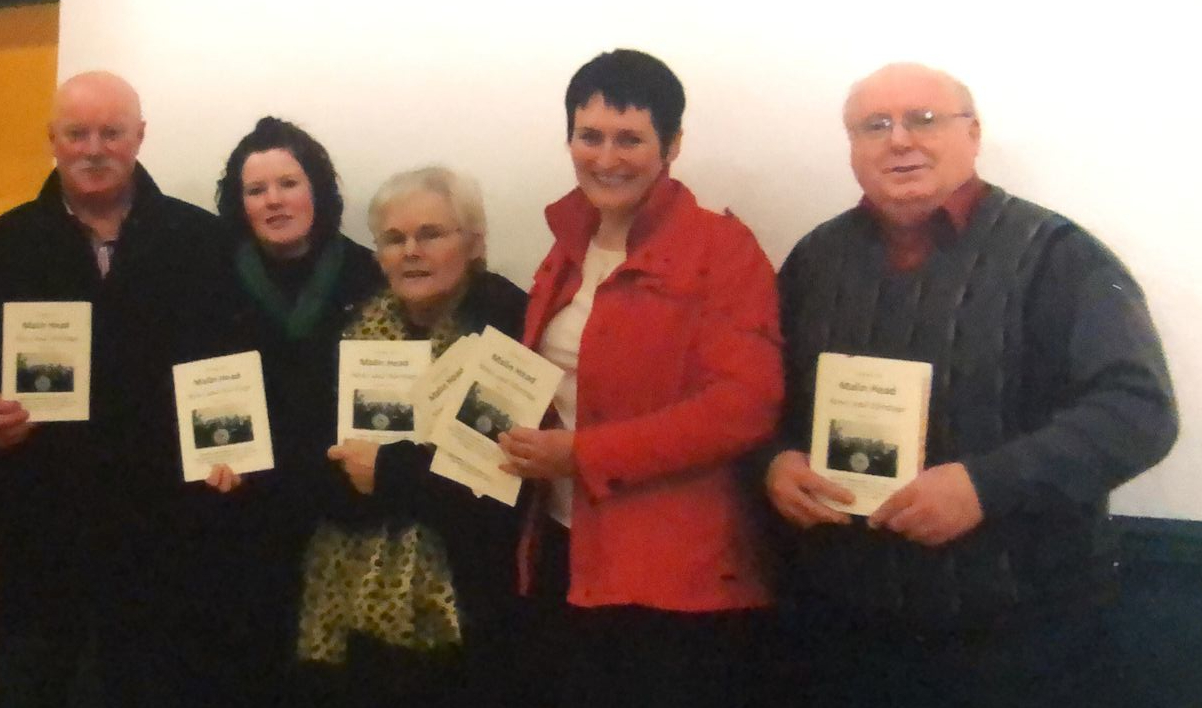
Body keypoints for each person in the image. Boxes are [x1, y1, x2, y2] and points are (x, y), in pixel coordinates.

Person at [765, 62, 1177, 708]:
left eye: (923, 120)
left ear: (973, 134)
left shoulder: (1057, 256)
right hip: (844, 636)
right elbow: (763, 398)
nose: (898, 140)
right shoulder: (814, 260)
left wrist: (983, 486)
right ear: (852, 147)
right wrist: (773, 463)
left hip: (1023, 640)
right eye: (874, 126)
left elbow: (1137, 411)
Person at [499, 49, 784, 708]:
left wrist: (581, 455)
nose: (606, 158)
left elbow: (744, 406)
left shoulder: (721, 250)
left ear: (671, 146)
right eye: (589, 136)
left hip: (674, 574)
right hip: (563, 550)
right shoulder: (566, 246)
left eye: (630, 139)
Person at [0, 71, 228, 706]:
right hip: (42, 545)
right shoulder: (3, 245)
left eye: (112, 132)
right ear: (52, 140)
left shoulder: (201, 242)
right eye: (77, 133)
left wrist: (231, 452)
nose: (94, 148)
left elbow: (230, 372)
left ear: (140, 137)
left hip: (168, 546)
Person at [305, 165, 545, 707]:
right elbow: (321, 459)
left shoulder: (508, 323)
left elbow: (490, 479)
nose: (410, 250)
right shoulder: (350, 327)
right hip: (353, 606)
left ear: (474, 242)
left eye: (430, 234)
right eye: (394, 239)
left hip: (470, 604)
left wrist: (385, 472)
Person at [199, 116, 384, 705]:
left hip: (348, 525)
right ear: (240, 204)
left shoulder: (371, 276)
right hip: (247, 527)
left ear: (318, 190)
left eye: (288, 183)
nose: (274, 201)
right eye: (257, 191)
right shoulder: (211, 284)